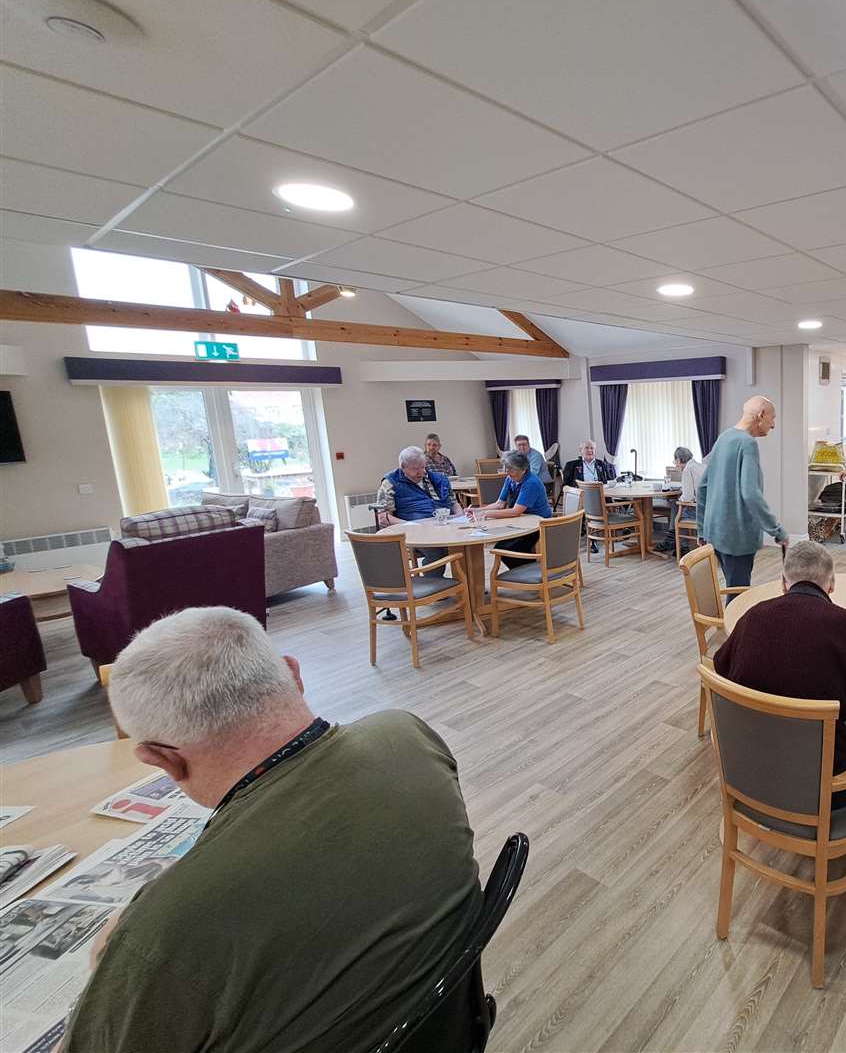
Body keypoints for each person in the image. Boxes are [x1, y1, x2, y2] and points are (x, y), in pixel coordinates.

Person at [63, 607, 485, 1052]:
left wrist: (111, 959)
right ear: (293, 674)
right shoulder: (406, 734)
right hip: (448, 1027)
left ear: (162, 760)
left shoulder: (161, 930)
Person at [714, 542, 846, 806]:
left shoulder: (753, 617)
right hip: (828, 789)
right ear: (832, 584)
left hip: (750, 773)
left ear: (783, 582)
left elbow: (721, 669)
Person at [697, 395, 788, 592]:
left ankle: (732, 622)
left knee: (734, 587)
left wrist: (701, 529)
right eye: (773, 418)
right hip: (736, 536)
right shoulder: (747, 443)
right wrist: (777, 530)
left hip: (715, 532)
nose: (773, 425)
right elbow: (751, 494)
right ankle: (734, 623)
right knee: (739, 593)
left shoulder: (724, 437)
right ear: (761, 415)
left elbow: (702, 486)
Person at [376, 446, 461, 577]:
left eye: (423, 467)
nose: (421, 472)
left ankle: (469, 586)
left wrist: (460, 518)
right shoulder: (390, 482)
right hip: (415, 530)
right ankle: (433, 587)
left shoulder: (438, 479)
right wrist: (411, 525)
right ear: (402, 467)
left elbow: (454, 504)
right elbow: (384, 517)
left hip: (444, 525)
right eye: (415, 469)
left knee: (466, 545)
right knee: (436, 550)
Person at [470, 450, 553, 567]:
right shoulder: (510, 479)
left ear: (523, 470)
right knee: (503, 547)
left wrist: (487, 514)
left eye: (511, 470)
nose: (507, 473)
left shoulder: (531, 483)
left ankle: (530, 573)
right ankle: (526, 572)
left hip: (539, 524)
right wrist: (479, 510)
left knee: (506, 549)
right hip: (522, 521)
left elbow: (516, 511)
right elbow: (499, 504)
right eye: (506, 468)